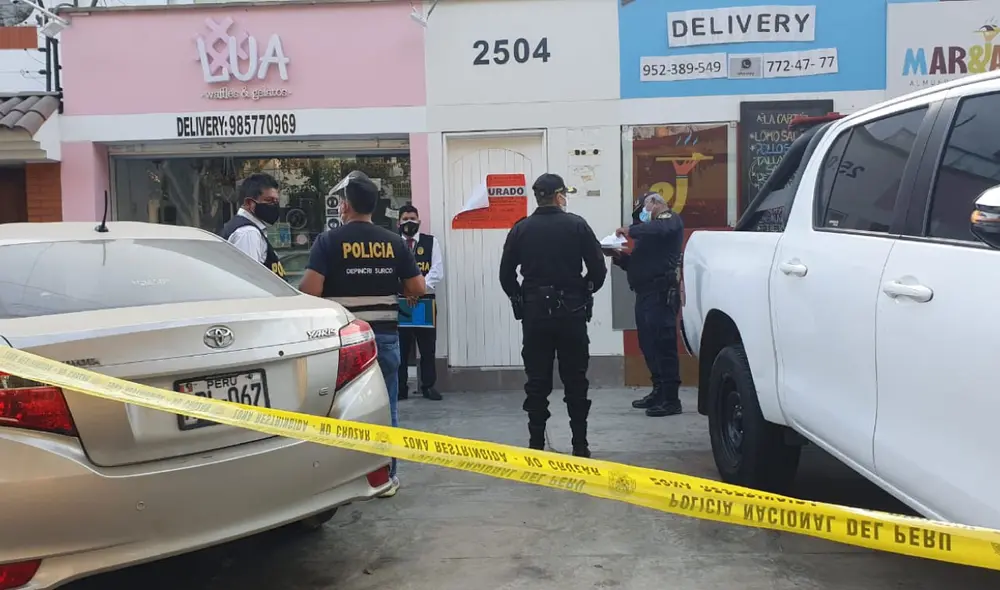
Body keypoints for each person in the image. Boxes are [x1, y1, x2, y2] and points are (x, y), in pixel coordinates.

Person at [298, 170, 425, 498]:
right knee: (387, 407)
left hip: (343, 342)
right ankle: (385, 478)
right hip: (384, 337)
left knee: (338, 410)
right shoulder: (394, 242)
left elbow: (310, 291)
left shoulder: (328, 241)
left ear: (345, 206)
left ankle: (340, 481)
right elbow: (418, 288)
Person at [499, 173, 607, 457]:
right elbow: (598, 269)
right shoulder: (577, 225)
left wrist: (519, 298)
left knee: (537, 382)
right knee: (576, 380)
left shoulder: (521, 229)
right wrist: (584, 289)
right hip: (572, 312)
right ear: (559, 196)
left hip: (535, 314)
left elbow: (506, 274)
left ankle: (536, 445)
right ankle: (580, 445)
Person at [606, 192, 684, 418]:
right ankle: (658, 391)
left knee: (663, 346)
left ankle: (671, 399)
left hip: (661, 294)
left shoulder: (669, 220)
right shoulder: (649, 232)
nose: (641, 216)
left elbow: (662, 228)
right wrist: (619, 257)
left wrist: (630, 230)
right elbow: (639, 264)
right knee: (648, 345)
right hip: (645, 294)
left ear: (655, 203)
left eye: (643, 209)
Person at [396, 204, 444, 401]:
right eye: (405, 219)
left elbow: (437, 271)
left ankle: (428, 386)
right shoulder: (392, 243)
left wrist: (418, 289)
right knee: (400, 349)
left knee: (427, 348)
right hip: (401, 302)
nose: (409, 222)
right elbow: (390, 271)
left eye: (413, 218)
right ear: (398, 223)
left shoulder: (431, 242)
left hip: (424, 302)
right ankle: (400, 388)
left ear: (419, 221)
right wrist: (406, 290)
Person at [220, 173, 286, 278]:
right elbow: (249, 278)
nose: (274, 205)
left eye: (276, 201)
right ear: (249, 203)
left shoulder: (246, 228)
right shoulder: (248, 233)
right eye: (269, 200)